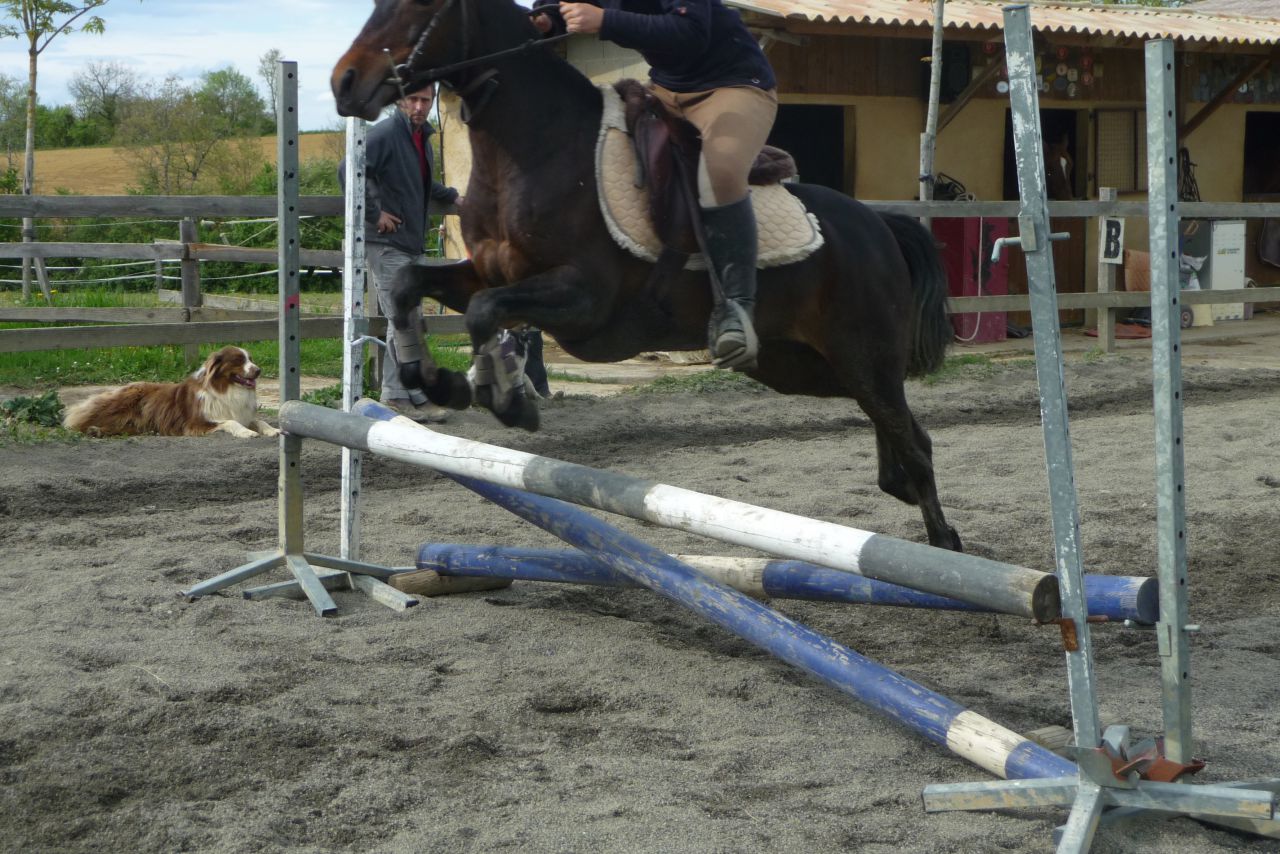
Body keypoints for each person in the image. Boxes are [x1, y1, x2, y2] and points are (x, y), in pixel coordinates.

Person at [533, 0, 777, 370]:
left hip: (733, 85)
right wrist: (547, 20)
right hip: (665, 89)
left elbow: (690, 32)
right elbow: (556, 6)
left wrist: (604, 20)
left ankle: (736, 309)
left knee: (720, 171)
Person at [339, 82, 459, 423]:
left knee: (405, 320)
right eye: (413, 99)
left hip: (410, 242)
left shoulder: (420, 138)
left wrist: (452, 196)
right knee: (404, 319)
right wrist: (374, 214)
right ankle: (412, 394)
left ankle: (396, 393)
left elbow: (418, 183)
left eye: (425, 100)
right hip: (387, 244)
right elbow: (347, 169)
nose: (419, 106)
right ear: (401, 100)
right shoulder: (387, 133)